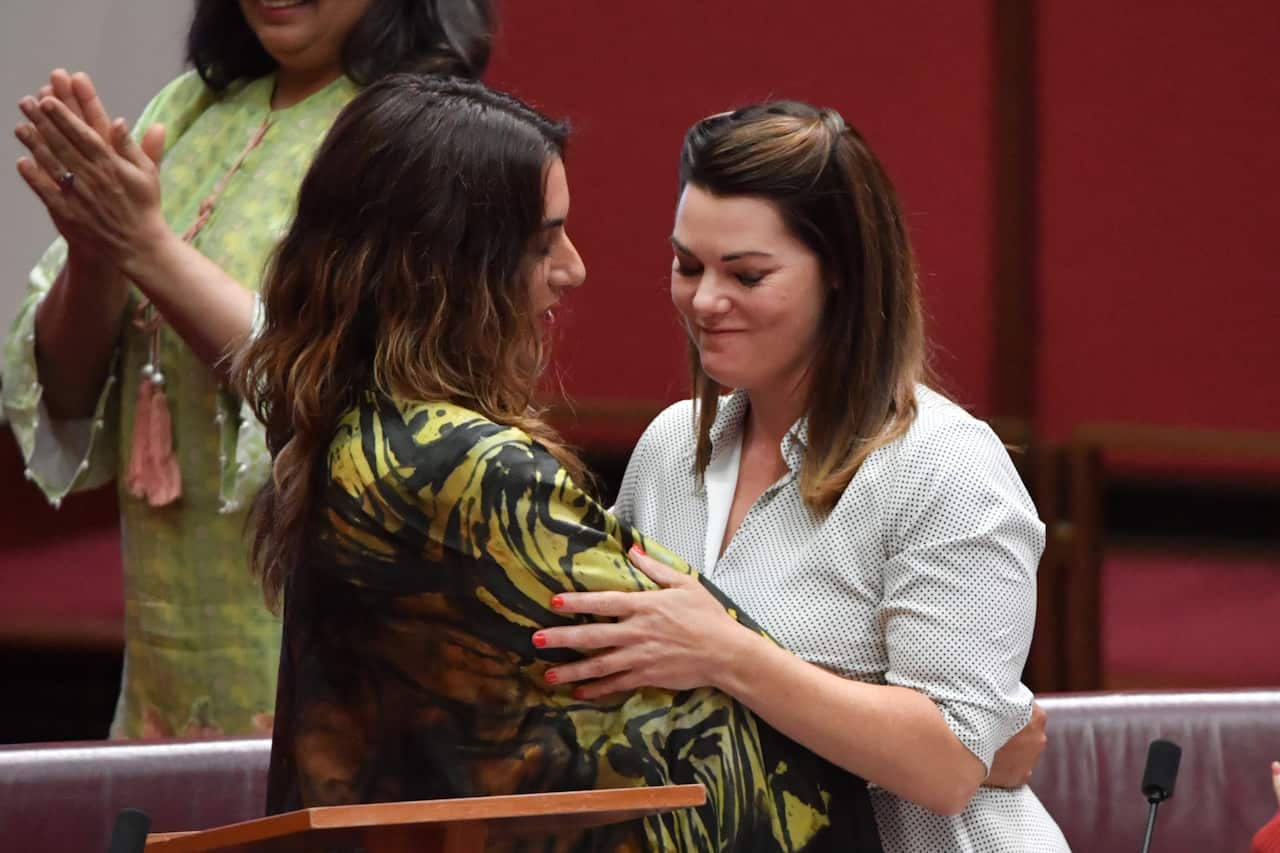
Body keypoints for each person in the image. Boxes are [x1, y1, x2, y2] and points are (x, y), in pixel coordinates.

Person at [235, 74, 884, 851]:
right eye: (543, 242)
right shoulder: (469, 468)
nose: (574, 269)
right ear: (447, 263)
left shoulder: (355, 433)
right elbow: (722, 747)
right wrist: (924, 748)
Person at [535, 102, 1070, 851]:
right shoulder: (667, 447)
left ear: (843, 274)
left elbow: (950, 762)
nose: (706, 300)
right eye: (688, 266)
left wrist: (728, 653)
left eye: (747, 275)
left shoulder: (945, 464)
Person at [3, 0, 492, 739]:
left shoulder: (425, 132)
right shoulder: (192, 107)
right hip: (163, 673)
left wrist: (147, 249)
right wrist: (95, 253)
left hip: (333, 662)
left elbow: (338, 387)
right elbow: (67, 394)